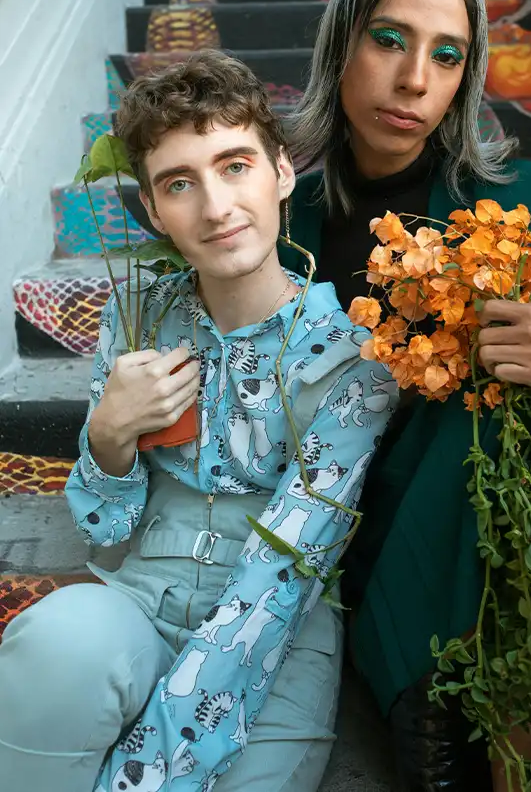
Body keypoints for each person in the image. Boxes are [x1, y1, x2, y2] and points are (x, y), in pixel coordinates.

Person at [280, 0, 531, 791]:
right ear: (340, 48)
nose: (413, 80)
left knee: (506, 384)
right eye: (388, 40)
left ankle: (426, 692)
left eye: (448, 55)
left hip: (485, 525)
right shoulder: (272, 217)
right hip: (333, 521)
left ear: (467, 79)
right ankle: (423, 677)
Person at [0, 51, 398, 792]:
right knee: (57, 645)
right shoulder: (138, 318)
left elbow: (284, 578)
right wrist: (111, 437)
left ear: (282, 171)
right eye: (180, 183)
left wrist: (141, 777)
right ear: (154, 210)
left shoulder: (355, 362)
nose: (215, 206)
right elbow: (106, 529)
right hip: (140, 600)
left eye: (235, 165)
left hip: (275, 634)